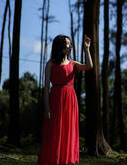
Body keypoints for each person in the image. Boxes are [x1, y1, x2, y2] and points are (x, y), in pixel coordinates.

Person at [38, 34, 93, 165]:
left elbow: (89, 66)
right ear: (59, 46)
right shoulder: (50, 64)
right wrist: (46, 108)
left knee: (68, 131)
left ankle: (67, 159)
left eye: (70, 43)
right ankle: (53, 159)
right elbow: (46, 88)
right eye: (68, 43)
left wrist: (87, 49)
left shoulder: (73, 64)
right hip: (55, 99)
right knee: (55, 131)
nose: (71, 46)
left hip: (70, 100)